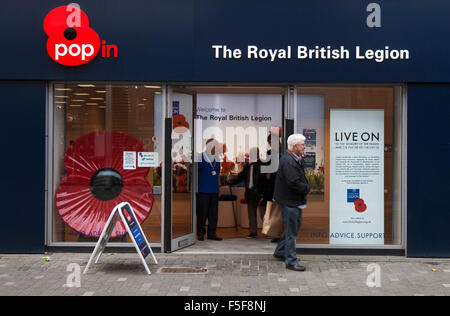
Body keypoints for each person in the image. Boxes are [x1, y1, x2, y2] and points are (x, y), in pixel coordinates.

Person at [273, 134, 310, 272]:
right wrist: (307, 188)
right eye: (302, 144)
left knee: (293, 228)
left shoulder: (292, 158)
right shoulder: (288, 161)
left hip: (291, 200)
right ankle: (291, 261)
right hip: (290, 201)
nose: (304, 146)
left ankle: (280, 251)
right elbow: (293, 182)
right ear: (295, 147)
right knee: (291, 232)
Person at [227, 147, 263, 238]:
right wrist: (230, 182)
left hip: (260, 192)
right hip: (250, 193)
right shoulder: (247, 166)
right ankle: (253, 232)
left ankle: (269, 232)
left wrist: (264, 192)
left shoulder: (262, 165)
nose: (252, 155)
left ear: (258, 154)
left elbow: (265, 180)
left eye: (254, 153)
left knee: (264, 214)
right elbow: (240, 177)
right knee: (251, 214)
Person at [197, 138, 223, 241]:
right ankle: (200, 233)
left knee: (213, 214)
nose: (214, 148)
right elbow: (194, 172)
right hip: (202, 190)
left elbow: (217, 175)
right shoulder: (200, 157)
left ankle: (212, 233)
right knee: (202, 214)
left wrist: (219, 187)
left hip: (214, 191)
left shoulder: (217, 158)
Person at [260, 132, 282, 242]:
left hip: (281, 186)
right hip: (271, 187)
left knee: (280, 211)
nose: (271, 144)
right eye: (269, 143)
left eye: (272, 142)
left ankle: (279, 234)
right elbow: (264, 170)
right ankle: (273, 234)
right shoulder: (268, 153)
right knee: (271, 210)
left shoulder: (284, 152)